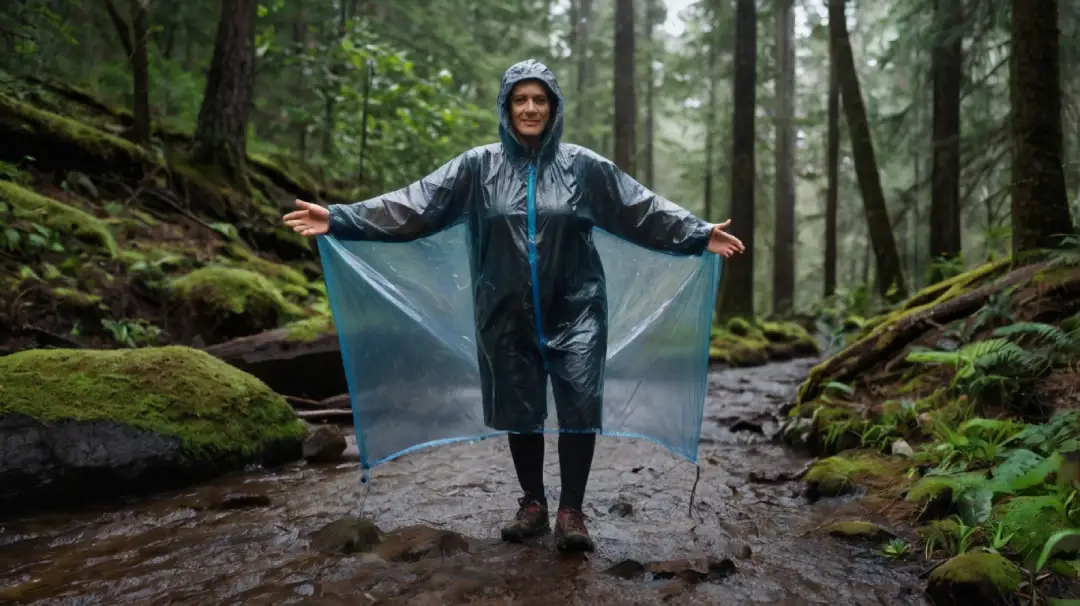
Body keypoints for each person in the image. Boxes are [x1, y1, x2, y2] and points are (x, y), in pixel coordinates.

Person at [283, 59, 745, 552]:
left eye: (539, 99)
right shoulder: (476, 167)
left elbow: (640, 209)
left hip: (578, 307)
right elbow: (413, 207)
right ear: (506, 108)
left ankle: (571, 510)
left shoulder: (583, 167)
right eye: (520, 99)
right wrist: (339, 218)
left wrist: (698, 234)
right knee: (520, 408)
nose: (530, 108)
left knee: (578, 407)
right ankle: (532, 504)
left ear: (553, 107)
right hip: (504, 310)